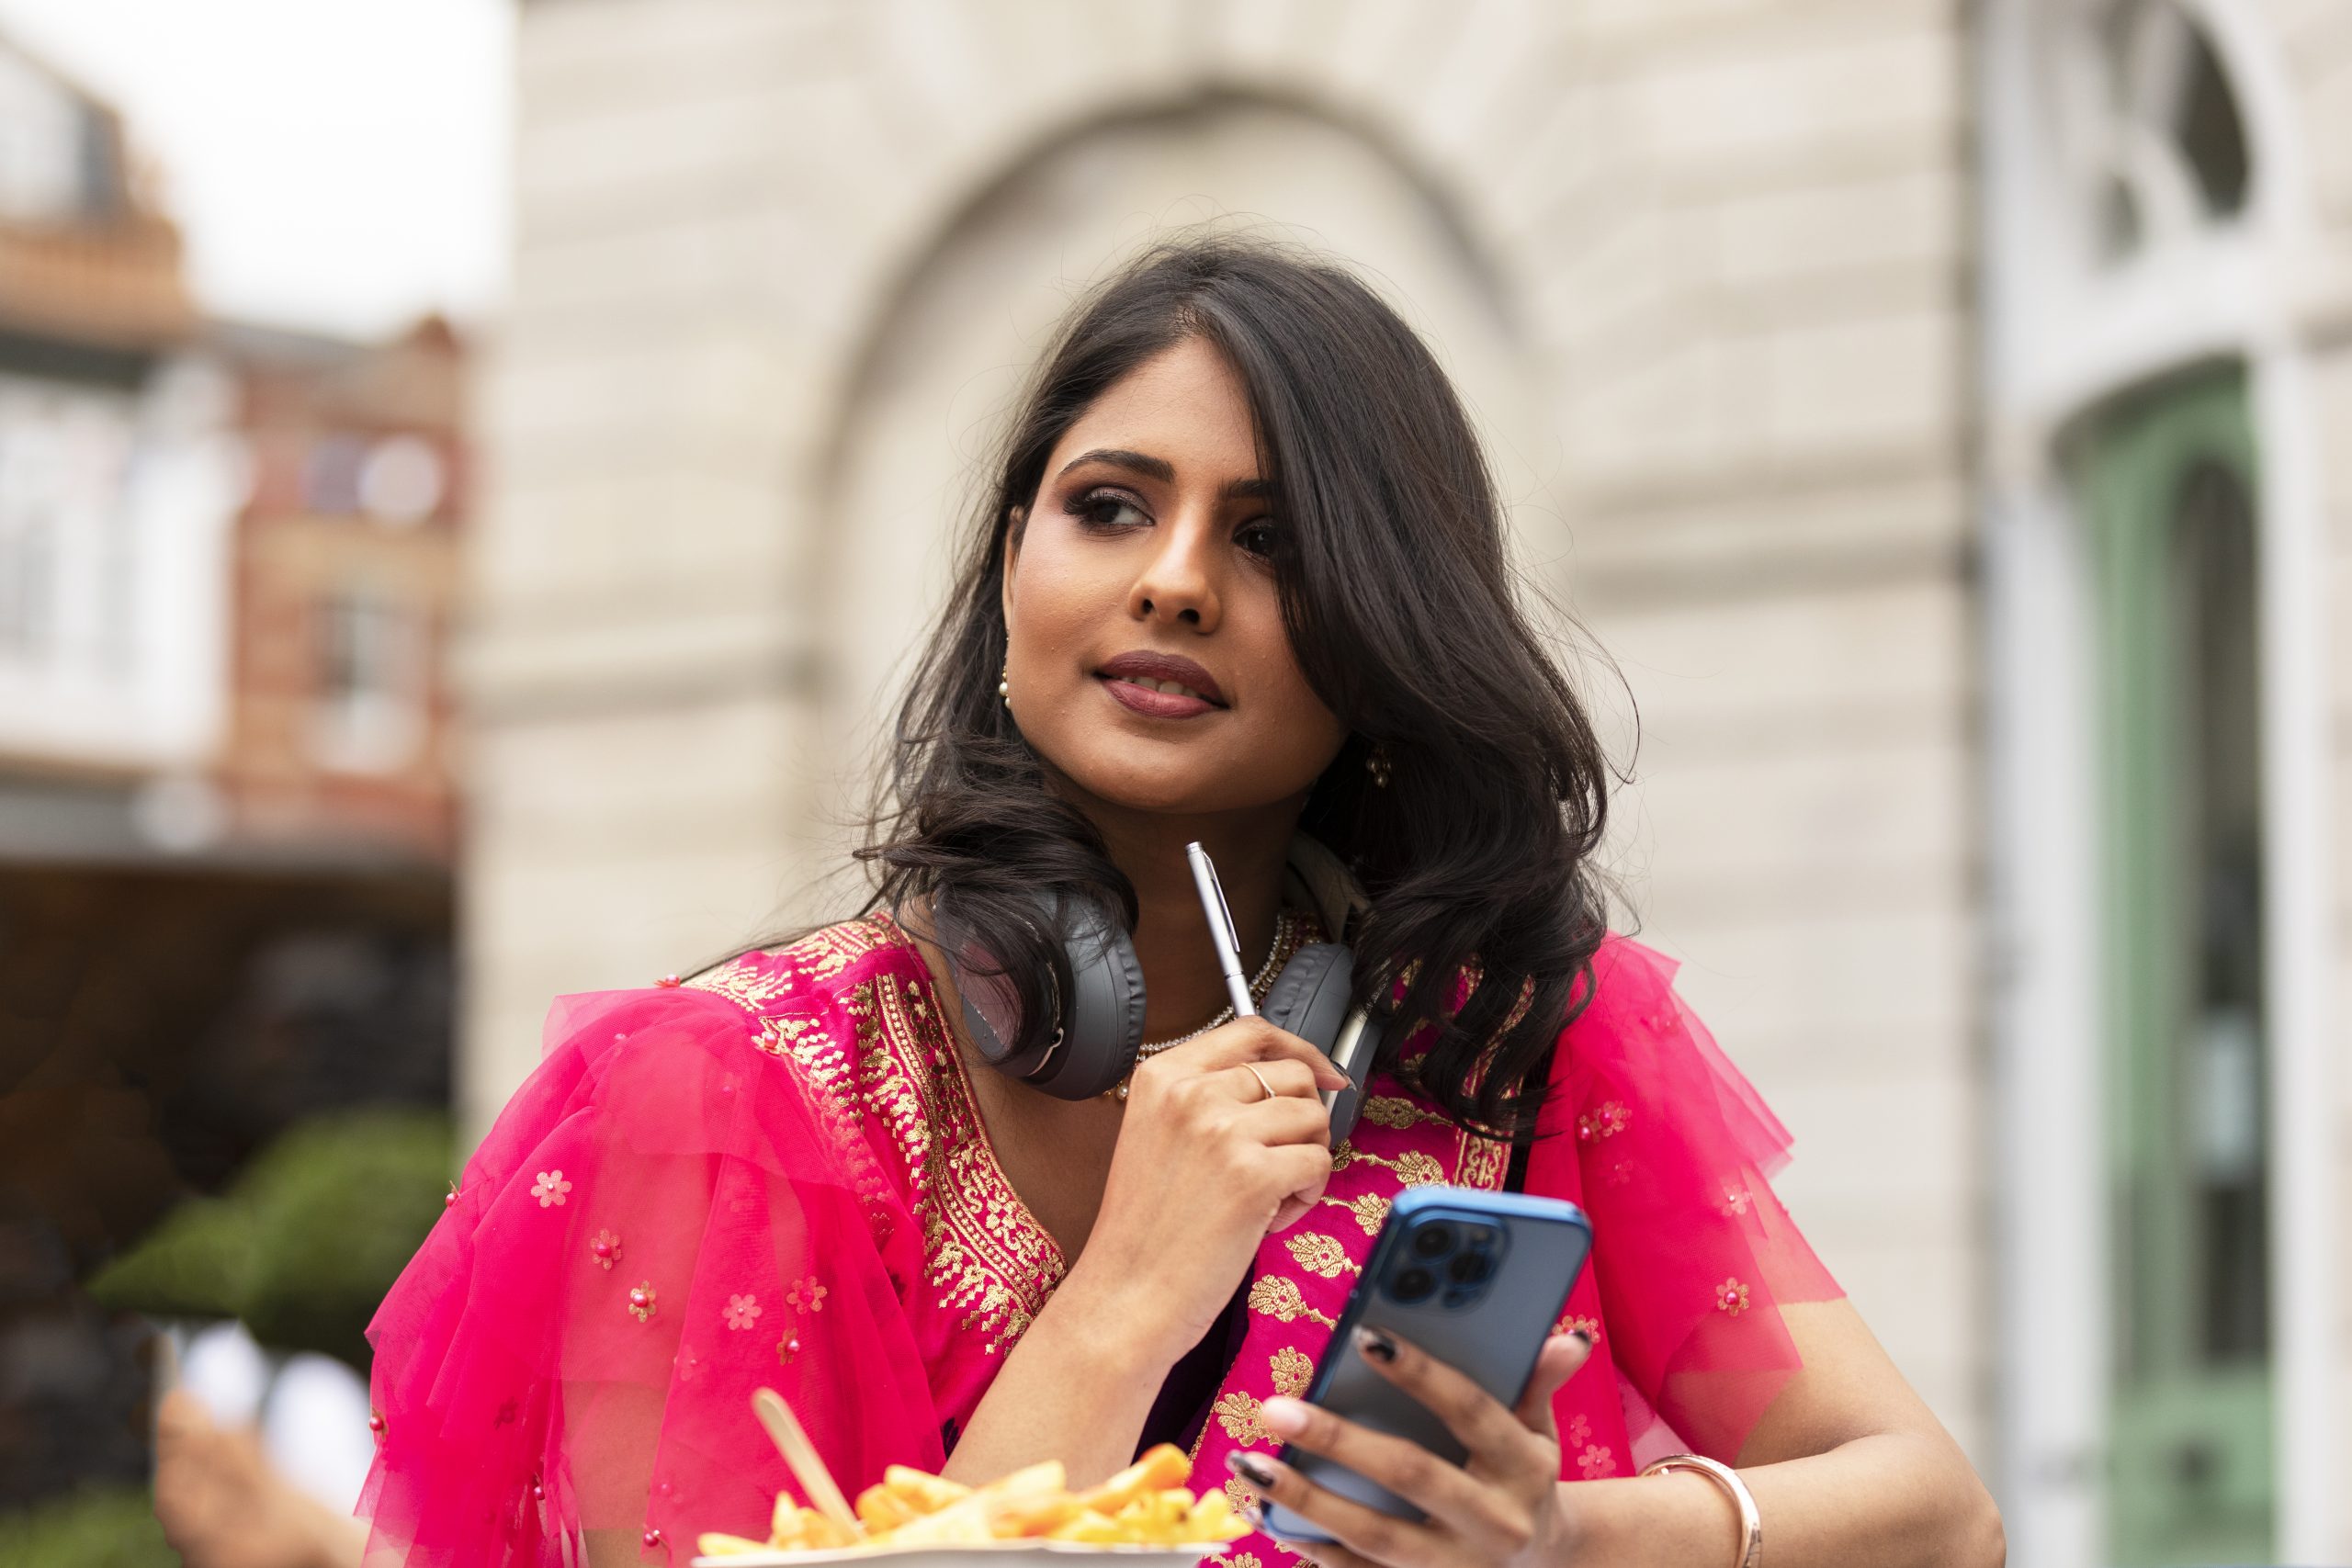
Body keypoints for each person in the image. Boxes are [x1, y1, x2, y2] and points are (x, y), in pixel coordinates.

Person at [356, 235, 2004, 1568]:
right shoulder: (733, 1094)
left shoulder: (1506, 1039)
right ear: (1014, 563)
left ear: (1383, 634)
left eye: (1275, 539)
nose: (1174, 579)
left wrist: (1556, 1538)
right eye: (1111, 505)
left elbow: (1937, 1519)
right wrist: (1138, 1291)